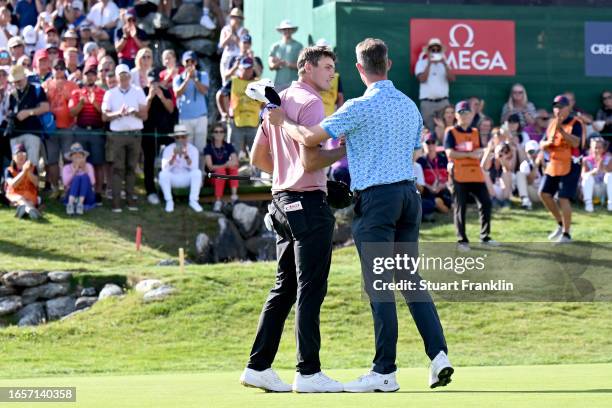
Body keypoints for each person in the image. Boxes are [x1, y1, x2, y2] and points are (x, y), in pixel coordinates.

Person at [269, 38, 452, 392]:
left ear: (358, 68)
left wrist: (281, 121)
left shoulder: (357, 107)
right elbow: (414, 153)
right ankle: (439, 355)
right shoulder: (409, 106)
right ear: (389, 65)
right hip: (408, 198)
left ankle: (385, 370)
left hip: (377, 201)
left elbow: (309, 138)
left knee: (380, 286)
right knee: (410, 280)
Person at [241, 46, 346, 393]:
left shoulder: (278, 101)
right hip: (308, 205)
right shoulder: (312, 102)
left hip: (281, 203)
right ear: (308, 68)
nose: (331, 74)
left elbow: (258, 157)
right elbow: (313, 162)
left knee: (284, 288)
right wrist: (347, 149)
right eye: (327, 67)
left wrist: (286, 174)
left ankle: (258, 366)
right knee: (310, 289)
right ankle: (309, 371)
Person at [444, 100, 497, 251]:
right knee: (460, 208)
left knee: (486, 203)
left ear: (471, 114)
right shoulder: (451, 132)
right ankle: (462, 240)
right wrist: (470, 154)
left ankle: (485, 237)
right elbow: (450, 153)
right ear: (456, 115)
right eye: (461, 113)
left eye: (467, 113)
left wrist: (483, 152)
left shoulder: (475, 132)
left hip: (476, 174)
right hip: (459, 175)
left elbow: (480, 151)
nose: (464, 116)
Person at [102, 63, 148, 212]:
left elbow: (144, 115)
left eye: (125, 75)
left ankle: (130, 200)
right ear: (117, 77)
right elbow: (105, 116)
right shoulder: (110, 93)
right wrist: (118, 113)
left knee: (131, 167)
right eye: (120, 76)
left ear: (129, 76)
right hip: (117, 135)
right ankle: (116, 202)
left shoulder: (138, 91)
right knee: (117, 168)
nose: (123, 78)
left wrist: (134, 112)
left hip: (134, 134)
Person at [539, 95, 582, 243]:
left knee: (563, 197)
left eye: (561, 106)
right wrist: (547, 143)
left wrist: (562, 132)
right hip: (554, 163)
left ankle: (566, 234)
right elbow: (542, 144)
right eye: (556, 106)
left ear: (568, 108)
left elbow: (576, 143)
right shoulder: (551, 124)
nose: (558, 109)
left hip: (571, 163)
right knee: (544, 193)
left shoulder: (576, 123)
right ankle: (560, 223)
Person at [69, 60, 106, 205]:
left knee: (98, 163)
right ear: (83, 77)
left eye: (92, 75)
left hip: (97, 131)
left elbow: (104, 114)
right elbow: (72, 112)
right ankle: (83, 191)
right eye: (87, 75)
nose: (90, 77)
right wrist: (81, 103)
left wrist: (94, 102)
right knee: (80, 162)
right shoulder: (76, 92)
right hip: (81, 130)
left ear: (96, 77)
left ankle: (97, 193)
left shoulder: (103, 93)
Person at [43, 59, 78, 198]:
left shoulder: (72, 85)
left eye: (61, 67)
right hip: (51, 128)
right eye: (56, 67)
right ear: (52, 69)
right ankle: (55, 188)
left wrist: (65, 92)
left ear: (65, 69)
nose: (59, 70)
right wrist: (46, 92)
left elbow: (75, 104)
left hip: (67, 127)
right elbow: (42, 101)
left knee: (68, 159)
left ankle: (68, 187)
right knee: (52, 160)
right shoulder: (46, 84)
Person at [142, 68, 175, 205]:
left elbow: (171, 109)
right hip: (148, 132)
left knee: (167, 162)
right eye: (152, 82)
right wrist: (150, 97)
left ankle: (166, 190)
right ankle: (150, 191)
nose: (154, 85)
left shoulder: (166, 92)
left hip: (164, 132)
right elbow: (143, 111)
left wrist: (161, 96)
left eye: (156, 82)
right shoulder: (143, 92)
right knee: (149, 162)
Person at [7, 64, 49, 168]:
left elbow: (45, 107)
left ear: (25, 77)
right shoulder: (12, 94)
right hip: (15, 134)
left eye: (19, 80)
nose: (17, 83)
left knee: (31, 165)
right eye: (15, 81)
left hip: (32, 132)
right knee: (17, 166)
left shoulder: (36, 89)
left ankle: (32, 184)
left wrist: (28, 113)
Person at [217, 56, 259, 158]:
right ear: (240, 68)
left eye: (249, 68)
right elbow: (220, 95)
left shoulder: (258, 82)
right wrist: (223, 112)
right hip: (236, 122)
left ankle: (255, 174)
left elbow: (266, 100)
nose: (247, 71)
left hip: (253, 123)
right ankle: (231, 174)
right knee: (232, 154)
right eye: (245, 68)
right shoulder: (233, 81)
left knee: (256, 155)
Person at [158, 124, 203, 213]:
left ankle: (193, 201)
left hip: (186, 177)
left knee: (197, 173)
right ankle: (169, 201)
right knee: (162, 174)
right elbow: (164, 168)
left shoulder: (193, 149)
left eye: (183, 137)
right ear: (175, 138)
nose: (180, 140)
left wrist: (186, 156)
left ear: (186, 137)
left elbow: (194, 168)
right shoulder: (168, 149)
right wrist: (173, 156)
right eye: (178, 137)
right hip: (173, 177)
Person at [173, 50, 209, 156]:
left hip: (201, 117)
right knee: (185, 148)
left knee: (201, 148)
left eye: (192, 61)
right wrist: (187, 79)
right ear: (183, 63)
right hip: (185, 117)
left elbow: (204, 91)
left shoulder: (203, 75)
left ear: (196, 62)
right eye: (187, 61)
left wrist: (194, 79)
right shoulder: (178, 78)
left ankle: (200, 171)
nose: (190, 64)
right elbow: (177, 94)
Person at [415, 38, 455, 133]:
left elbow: (452, 79)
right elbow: (422, 79)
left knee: (445, 128)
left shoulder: (445, 64)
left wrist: (444, 63)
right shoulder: (421, 63)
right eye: (433, 50)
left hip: (443, 103)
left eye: (438, 50)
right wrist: (429, 63)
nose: (435, 52)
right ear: (428, 51)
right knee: (428, 131)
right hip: (427, 103)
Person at [204, 122, 238, 211]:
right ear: (212, 134)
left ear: (224, 133)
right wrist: (225, 165)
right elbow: (210, 167)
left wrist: (229, 164)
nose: (219, 133)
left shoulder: (228, 146)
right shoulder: (208, 148)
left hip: (227, 178)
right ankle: (218, 201)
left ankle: (234, 196)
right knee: (220, 171)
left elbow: (235, 161)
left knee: (233, 168)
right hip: (213, 178)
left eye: (221, 131)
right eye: (216, 131)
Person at [3, 143, 41, 219]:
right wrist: (23, 172)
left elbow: (36, 183)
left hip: (29, 194)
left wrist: (28, 171)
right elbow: (13, 184)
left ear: (26, 156)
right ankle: (31, 210)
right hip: (14, 194)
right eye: (18, 153)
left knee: (27, 200)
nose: (21, 155)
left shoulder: (33, 168)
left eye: (23, 153)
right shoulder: (8, 170)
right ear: (13, 157)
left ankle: (23, 210)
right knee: (20, 198)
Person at [417, 133, 451, 213]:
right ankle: (441, 207)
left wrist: (444, 185)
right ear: (423, 145)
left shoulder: (443, 158)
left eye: (433, 142)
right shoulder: (420, 161)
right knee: (434, 200)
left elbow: (450, 175)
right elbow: (419, 181)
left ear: (436, 144)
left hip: (444, 188)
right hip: (428, 190)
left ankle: (444, 206)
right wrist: (430, 188)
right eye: (428, 143)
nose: (430, 145)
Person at [268, 19, 302, 92]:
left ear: (292, 30)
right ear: (281, 31)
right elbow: (270, 66)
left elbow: (301, 66)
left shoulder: (299, 46)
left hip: (293, 84)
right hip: (279, 84)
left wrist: (288, 64)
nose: (287, 31)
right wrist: (278, 64)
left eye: (289, 29)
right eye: (284, 29)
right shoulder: (275, 46)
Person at [62, 142, 96, 215]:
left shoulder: (89, 166)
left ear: (83, 157)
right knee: (77, 178)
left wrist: (84, 169)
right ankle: (70, 204)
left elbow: (93, 182)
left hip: (87, 195)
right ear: (71, 158)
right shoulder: (66, 167)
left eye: (80, 156)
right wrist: (74, 171)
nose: (78, 159)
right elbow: (65, 183)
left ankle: (80, 204)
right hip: (71, 193)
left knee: (84, 177)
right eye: (75, 156)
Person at [581, 137, 612, 212]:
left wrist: (602, 166)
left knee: (610, 175)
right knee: (588, 177)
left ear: (603, 149)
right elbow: (583, 175)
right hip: (593, 189)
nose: (597, 150)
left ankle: (610, 204)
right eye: (595, 148)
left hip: (605, 189)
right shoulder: (586, 160)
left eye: (600, 148)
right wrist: (594, 172)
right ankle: (588, 204)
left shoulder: (609, 159)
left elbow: (609, 170)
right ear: (591, 149)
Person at [218, 7, 246, 85]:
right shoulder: (225, 29)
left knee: (237, 81)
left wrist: (235, 35)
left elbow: (243, 47)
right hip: (227, 58)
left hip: (238, 59)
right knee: (226, 81)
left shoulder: (243, 31)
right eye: (233, 17)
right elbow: (221, 45)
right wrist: (229, 36)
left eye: (237, 17)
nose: (235, 19)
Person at [517, 139, 544, 210]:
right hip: (533, 192)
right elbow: (529, 181)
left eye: (536, 151)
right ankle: (525, 201)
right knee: (519, 174)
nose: (533, 154)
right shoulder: (525, 164)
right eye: (531, 152)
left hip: (545, 193)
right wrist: (536, 166)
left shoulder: (546, 162)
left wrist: (543, 165)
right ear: (526, 153)